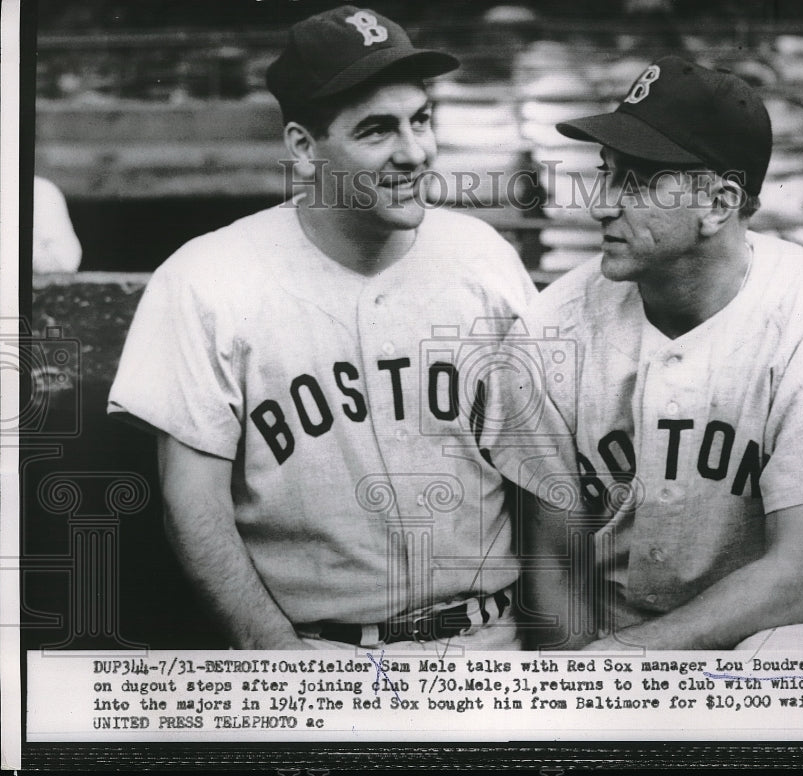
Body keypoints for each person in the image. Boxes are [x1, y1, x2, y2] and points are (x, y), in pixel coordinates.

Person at [108, 6, 536, 650]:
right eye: (376, 130)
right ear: (304, 149)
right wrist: (278, 656)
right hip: (318, 650)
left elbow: (545, 476)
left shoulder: (484, 256)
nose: (414, 152)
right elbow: (192, 507)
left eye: (421, 120)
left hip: (490, 640)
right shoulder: (205, 278)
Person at [485, 56, 803, 651]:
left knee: (786, 667)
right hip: (604, 635)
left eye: (636, 182)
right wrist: (588, 684)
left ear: (718, 203)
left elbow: (797, 580)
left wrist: (627, 662)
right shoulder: (549, 331)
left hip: (769, 627)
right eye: (606, 172)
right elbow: (555, 568)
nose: (600, 204)